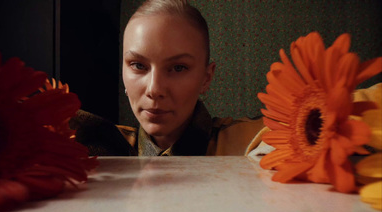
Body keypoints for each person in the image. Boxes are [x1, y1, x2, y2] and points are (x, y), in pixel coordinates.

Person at [70, 0, 266, 156]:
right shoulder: (91, 143)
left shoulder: (255, 140)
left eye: (178, 68)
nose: (154, 89)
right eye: (138, 66)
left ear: (206, 78)